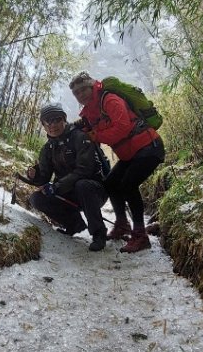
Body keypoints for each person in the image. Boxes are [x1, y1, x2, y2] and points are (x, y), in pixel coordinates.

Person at [69, 72, 165, 253]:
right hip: (131, 154)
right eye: (77, 93)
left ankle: (140, 235)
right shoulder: (90, 112)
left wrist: (96, 136)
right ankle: (122, 224)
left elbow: (123, 127)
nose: (81, 95)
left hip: (148, 147)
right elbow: (89, 127)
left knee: (128, 185)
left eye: (83, 90)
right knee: (111, 183)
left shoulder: (109, 99)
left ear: (92, 86)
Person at [27, 102, 109, 252]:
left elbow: (84, 170)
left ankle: (99, 234)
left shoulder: (80, 137)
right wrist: (34, 175)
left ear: (64, 119)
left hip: (94, 191)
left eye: (56, 119)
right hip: (67, 192)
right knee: (36, 198)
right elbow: (44, 178)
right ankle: (74, 224)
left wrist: (56, 187)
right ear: (43, 125)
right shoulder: (47, 148)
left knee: (82, 185)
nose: (52, 125)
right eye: (48, 121)